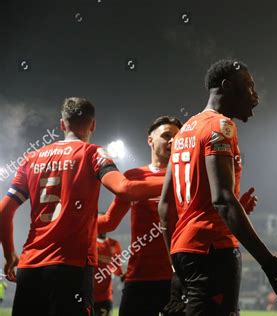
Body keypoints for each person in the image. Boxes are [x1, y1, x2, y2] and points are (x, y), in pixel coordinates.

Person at [158, 59, 277, 316]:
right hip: (213, 250)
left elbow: (165, 207)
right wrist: (271, 266)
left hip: (185, 250)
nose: (255, 95)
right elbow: (223, 201)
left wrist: (177, 262)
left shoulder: (183, 133)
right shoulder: (221, 126)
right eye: (248, 86)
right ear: (227, 86)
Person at [0, 97, 165, 316]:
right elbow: (125, 189)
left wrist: (10, 253)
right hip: (71, 267)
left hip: (30, 267)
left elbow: (4, 211)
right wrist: (179, 177)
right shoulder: (93, 153)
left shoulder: (31, 159)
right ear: (93, 125)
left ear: (62, 124)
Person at [97, 116, 183, 316]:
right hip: (141, 276)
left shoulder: (188, 173)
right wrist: (74, 221)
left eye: (177, 137)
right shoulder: (134, 176)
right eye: (166, 136)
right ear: (150, 140)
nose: (172, 141)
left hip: (179, 275)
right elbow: (109, 221)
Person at [93, 231, 124, 316]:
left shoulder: (114, 244)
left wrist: (123, 275)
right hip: (90, 295)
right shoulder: (91, 244)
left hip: (106, 295)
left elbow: (117, 268)